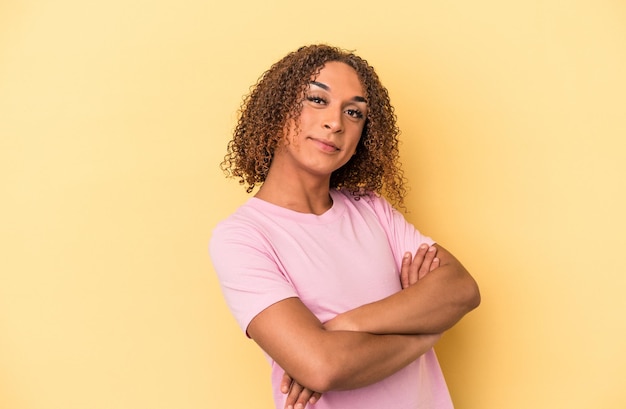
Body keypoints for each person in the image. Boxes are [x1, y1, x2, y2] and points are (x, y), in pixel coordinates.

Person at [209, 44, 481, 409]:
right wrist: (429, 328)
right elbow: (322, 367)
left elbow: (462, 290)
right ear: (276, 112)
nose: (335, 122)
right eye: (317, 100)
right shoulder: (242, 237)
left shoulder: (371, 209)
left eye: (353, 112)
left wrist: (341, 328)